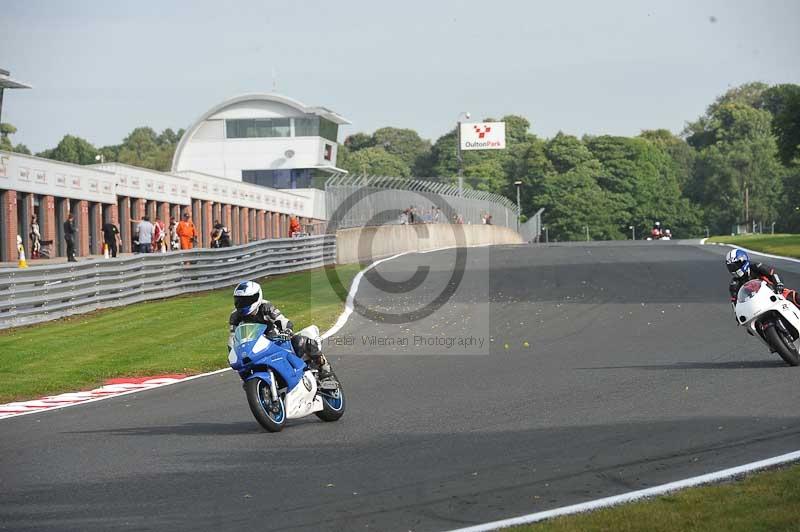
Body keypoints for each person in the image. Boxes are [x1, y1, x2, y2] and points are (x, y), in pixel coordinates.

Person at [228, 280, 332, 379]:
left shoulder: (265, 307)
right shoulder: (235, 316)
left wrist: (286, 330)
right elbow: (233, 337)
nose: (242, 304)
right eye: (239, 301)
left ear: (256, 297)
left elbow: (282, 320)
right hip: (254, 348)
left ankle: (324, 368)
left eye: (246, 301)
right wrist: (232, 351)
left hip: (275, 341)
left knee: (301, 341)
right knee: (243, 368)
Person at [726, 249, 799, 307]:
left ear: (744, 261)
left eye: (736, 265)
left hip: (775, 293)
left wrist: (779, 284)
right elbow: (735, 303)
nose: (734, 269)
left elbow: (773, 273)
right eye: (731, 267)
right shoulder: (734, 285)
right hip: (757, 306)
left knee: (795, 297)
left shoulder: (757, 267)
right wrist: (738, 314)